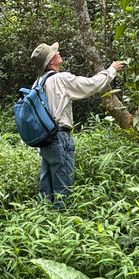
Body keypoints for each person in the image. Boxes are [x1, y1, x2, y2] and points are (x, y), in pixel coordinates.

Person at [30, 41, 123, 210]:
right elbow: (90, 85)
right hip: (59, 136)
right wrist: (111, 70)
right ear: (50, 62)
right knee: (63, 185)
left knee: (46, 184)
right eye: (55, 53)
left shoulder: (37, 83)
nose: (59, 53)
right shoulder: (60, 79)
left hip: (44, 139)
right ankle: (61, 222)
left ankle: (43, 218)